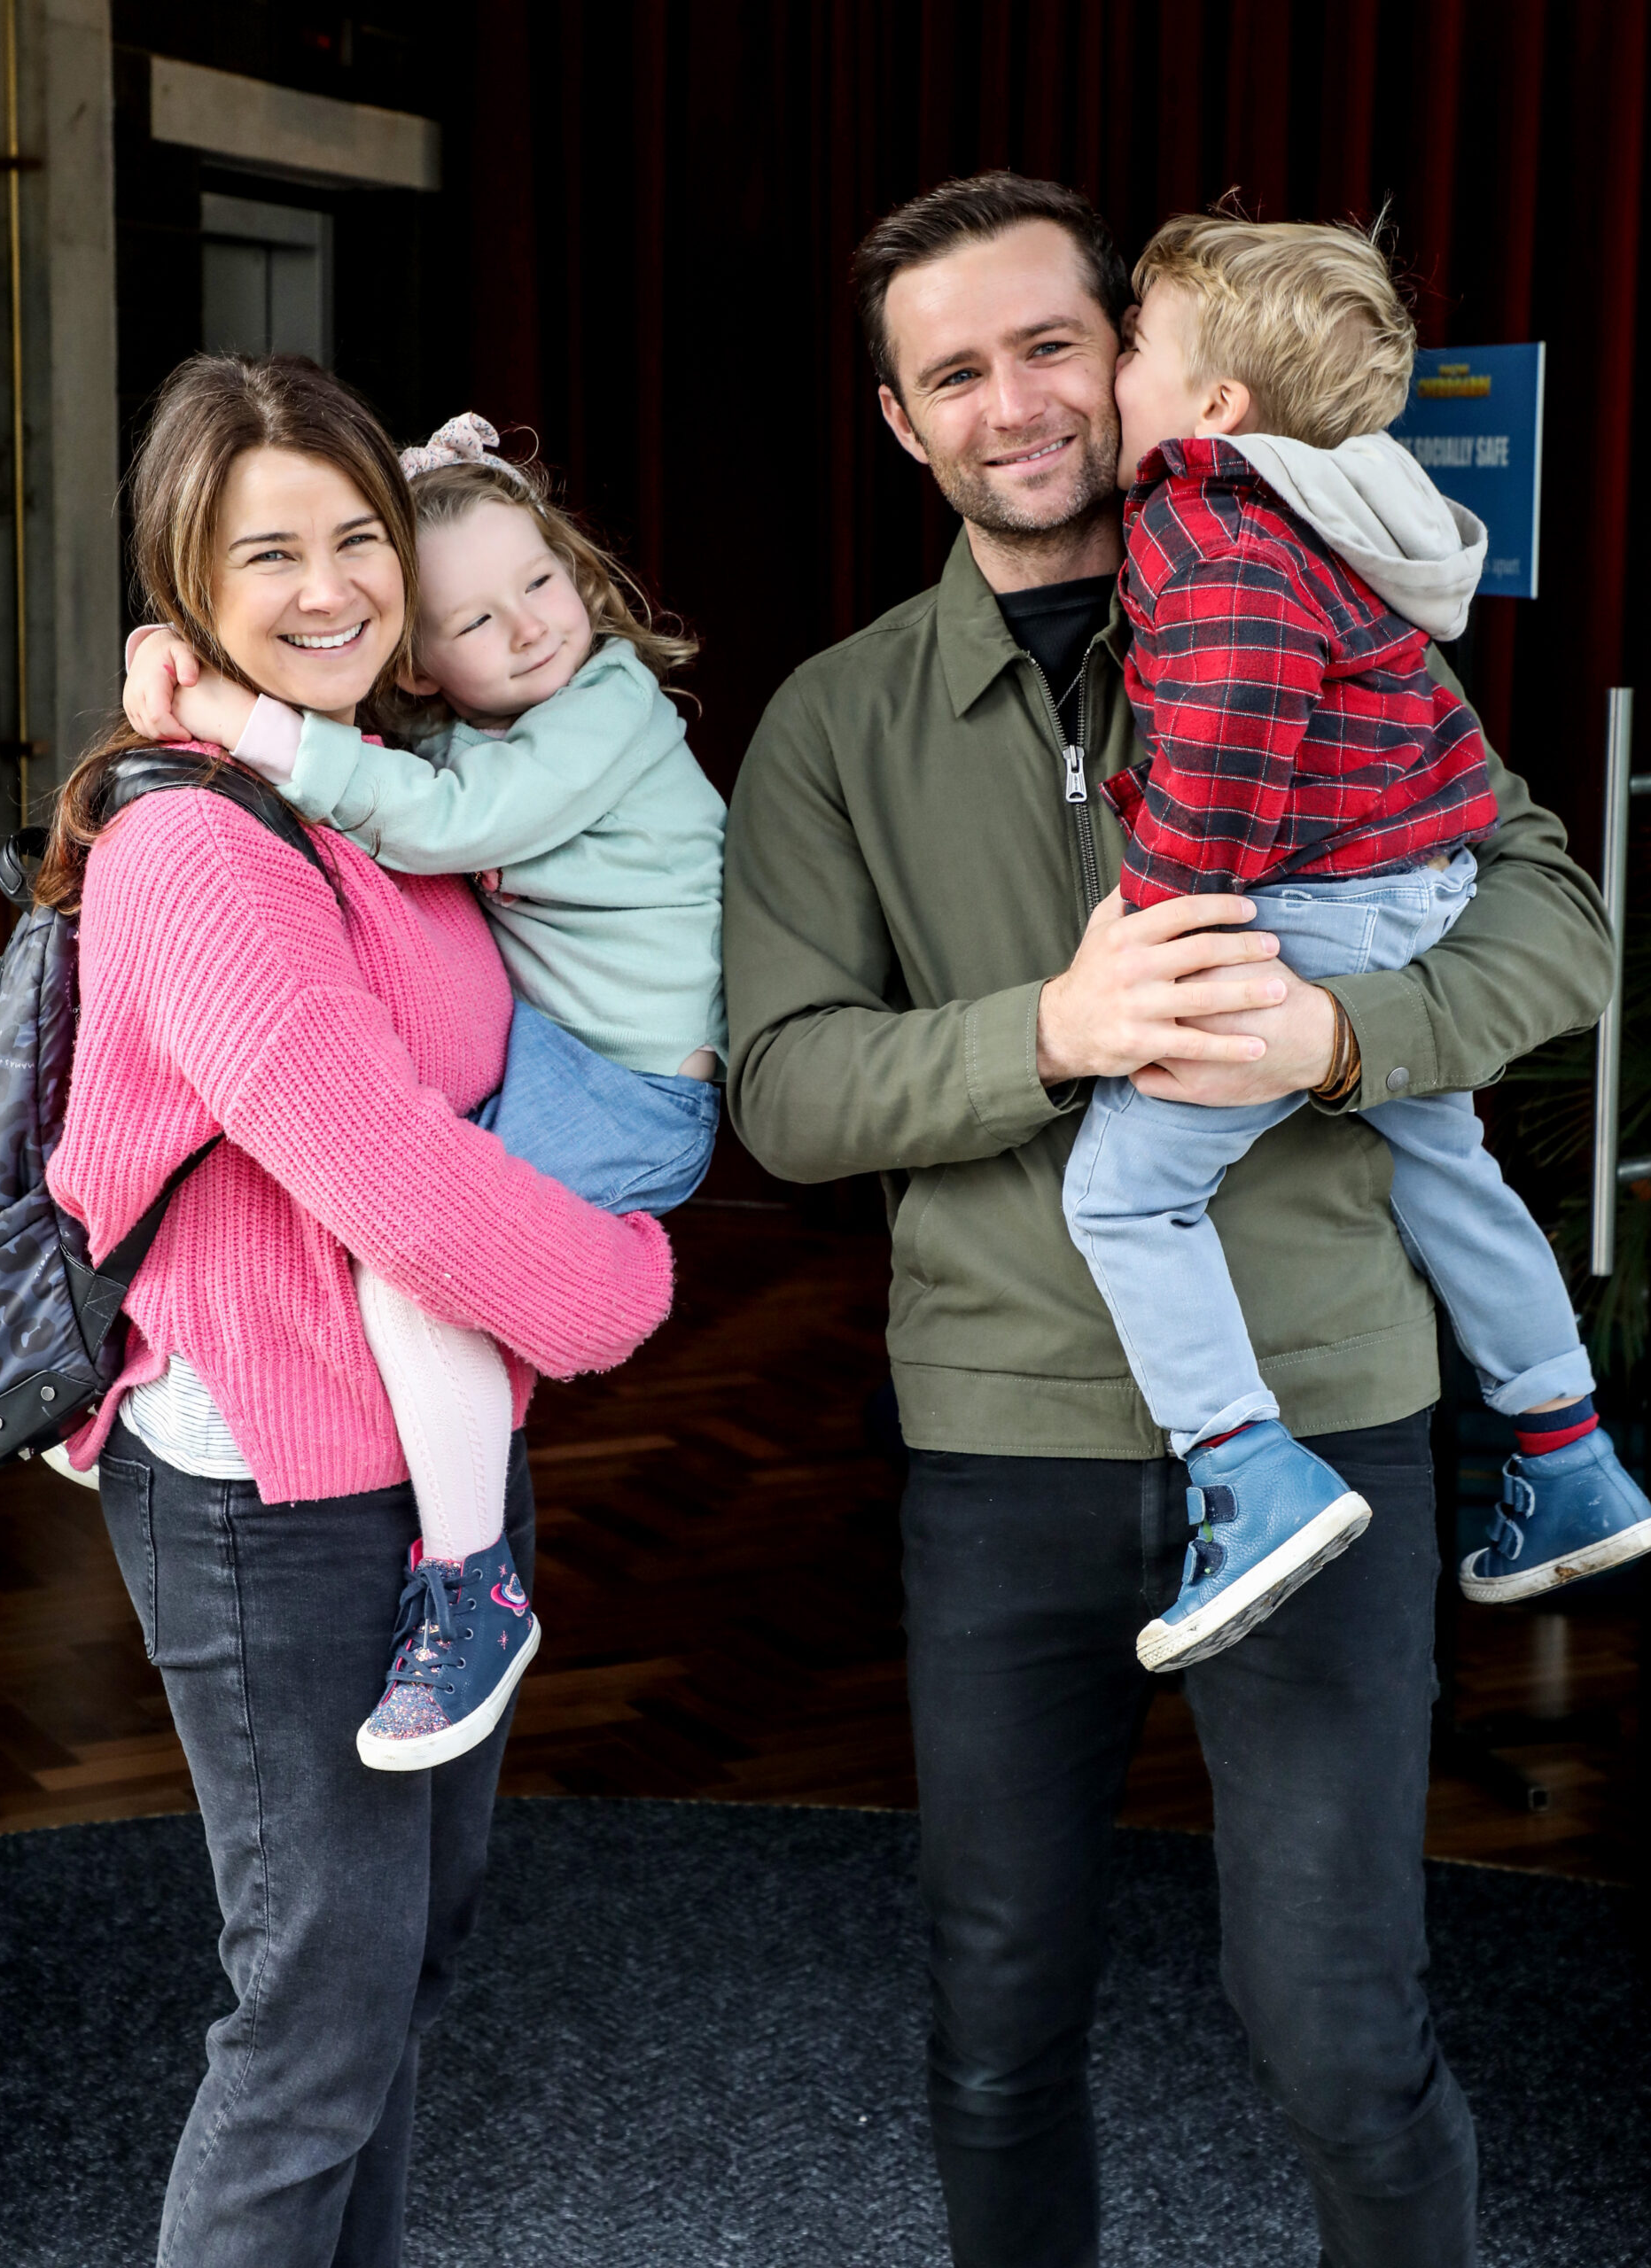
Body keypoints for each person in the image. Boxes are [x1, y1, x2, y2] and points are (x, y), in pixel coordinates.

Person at [722, 172, 1613, 2268]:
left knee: (1344, 2037)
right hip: (1005, 1442)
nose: (1015, 401)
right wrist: (1048, 1027)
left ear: (1133, 355)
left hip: (1339, 1411)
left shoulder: (1320, 592)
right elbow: (781, 1085)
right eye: (957, 372)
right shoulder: (834, 722)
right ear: (897, 421)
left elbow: (1555, 915)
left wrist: (1334, 1030)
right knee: (997, 2031)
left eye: (1051, 344)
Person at [41, 353, 673, 2266]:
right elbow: (390, 1177)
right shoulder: (201, 853)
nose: (331, 587)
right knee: (316, 2015)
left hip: (428, 1474)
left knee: (393, 1970)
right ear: (188, 578)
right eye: (267, 555)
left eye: (354, 540)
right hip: (269, 1493)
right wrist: (630, 1282)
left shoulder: (364, 797)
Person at [1062, 210, 1651, 1674]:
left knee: (1124, 1197)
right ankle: (1566, 1448)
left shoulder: (1205, 527)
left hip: (1308, 909)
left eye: (1132, 345)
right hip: (1415, 884)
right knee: (1443, 1162)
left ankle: (1244, 1470)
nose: (1112, 367)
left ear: (1212, 407)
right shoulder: (1334, 511)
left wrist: (1157, 914)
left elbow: (1229, 738)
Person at [121, 409, 726, 1769]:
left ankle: (472, 1586)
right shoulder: (465, 737)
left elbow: (448, 823)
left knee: (414, 1263)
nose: (526, 628)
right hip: (565, 1072)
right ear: (418, 660)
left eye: (542, 582)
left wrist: (237, 711)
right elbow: (355, 640)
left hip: (626, 1092)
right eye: (471, 619)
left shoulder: (608, 707)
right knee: (408, 1240)